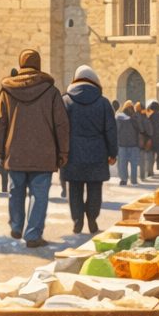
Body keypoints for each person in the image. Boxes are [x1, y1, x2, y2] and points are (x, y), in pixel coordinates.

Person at [0, 48, 69, 248]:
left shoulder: (8, 91)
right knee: (39, 195)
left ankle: (17, 225)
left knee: (15, 191)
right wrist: (63, 152)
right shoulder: (51, 92)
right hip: (43, 153)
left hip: (15, 152)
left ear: (21, 64)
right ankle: (33, 234)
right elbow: (61, 124)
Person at [61, 65, 117, 235]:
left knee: (74, 188)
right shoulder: (103, 102)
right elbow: (111, 130)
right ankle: (92, 218)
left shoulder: (66, 101)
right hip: (97, 152)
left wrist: (60, 152)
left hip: (73, 152)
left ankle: (77, 220)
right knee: (95, 188)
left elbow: (61, 129)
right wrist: (112, 152)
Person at [115, 100, 142, 186]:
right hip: (134, 144)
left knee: (122, 164)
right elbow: (141, 129)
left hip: (122, 144)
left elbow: (116, 130)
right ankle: (133, 181)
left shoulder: (119, 117)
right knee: (134, 164)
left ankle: (124, 180)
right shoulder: (136, 117)